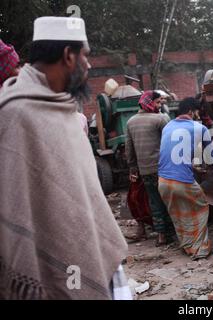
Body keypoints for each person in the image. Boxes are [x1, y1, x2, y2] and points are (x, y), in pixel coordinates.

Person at [0, 16, 130, 300]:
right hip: (52, 279)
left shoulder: (65, 112)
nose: (90, 64)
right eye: (86, 55)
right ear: (68, 56)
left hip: (98, 263)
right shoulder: (15, 114)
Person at [158, 97, 213, 260]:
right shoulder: (199, 128)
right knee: (201, 205)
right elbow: (211, 157)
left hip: (162, 181)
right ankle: (201, 250)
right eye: (197, 112)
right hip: (182, 181)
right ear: (191, 111)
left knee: (178, 212)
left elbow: (172, 153)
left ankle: (188, 246)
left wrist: (192, 166)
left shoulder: (168, 126)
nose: (198, 115)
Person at [126, 90, 175, 246]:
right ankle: (172, 231)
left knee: (154, 201)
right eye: (158, 102)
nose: (160, 106)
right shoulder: (161, 119)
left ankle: (161, 235)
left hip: (145, 170)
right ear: (151, 102)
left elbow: (129, 149)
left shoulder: (130, 122)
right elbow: (171, 143)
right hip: (163, 168)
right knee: (169, 200)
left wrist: (133, 168)